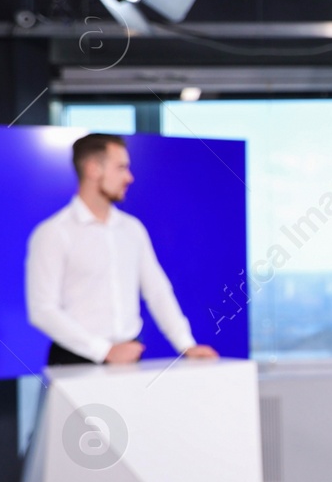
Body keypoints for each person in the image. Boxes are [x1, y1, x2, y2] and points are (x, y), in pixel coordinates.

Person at [26, 133, 218, 366]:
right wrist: (105, 351)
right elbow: (43, 310)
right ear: (93, 169)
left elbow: (157, 291)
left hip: (128, 357)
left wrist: (186, 344)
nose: (129, 177)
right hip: (74, 362)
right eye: (121, 168)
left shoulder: (132, 229)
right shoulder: (53, 233)